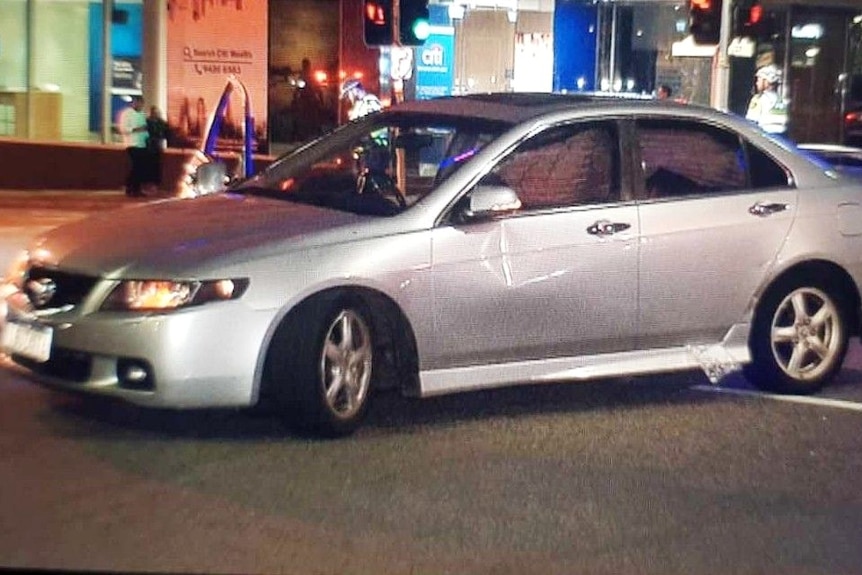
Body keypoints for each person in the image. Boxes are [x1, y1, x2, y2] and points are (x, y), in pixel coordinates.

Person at [118, 95, 148, 197]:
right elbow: (123, 129)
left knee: (141, 167)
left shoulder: (142, 114)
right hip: (132, 144)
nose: (140, 105)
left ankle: (137, 189)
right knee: (136, 166)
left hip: (142, 144)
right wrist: (137, 129)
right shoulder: (126, 114)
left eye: (142, 104)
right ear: (134, 103)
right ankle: (130, 187)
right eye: (138, 103)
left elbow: (145, 129)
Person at [746, 64, 788, 135]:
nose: (757, 83)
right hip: (781, 139)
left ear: (766, 81)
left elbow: (751, 122)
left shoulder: (758, 99)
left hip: (763, 137)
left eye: (759, 80)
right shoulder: (782, 100)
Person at [145, 106, 170, 195]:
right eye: (153, 113)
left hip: (157, 147)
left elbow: (167, 134)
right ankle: (148, 184)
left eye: (156, 113)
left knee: (156, 166)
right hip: (147, 147)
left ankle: (155, 185)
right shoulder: (146, 122)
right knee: (147, 166)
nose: (155, 114)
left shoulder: (162, 123)